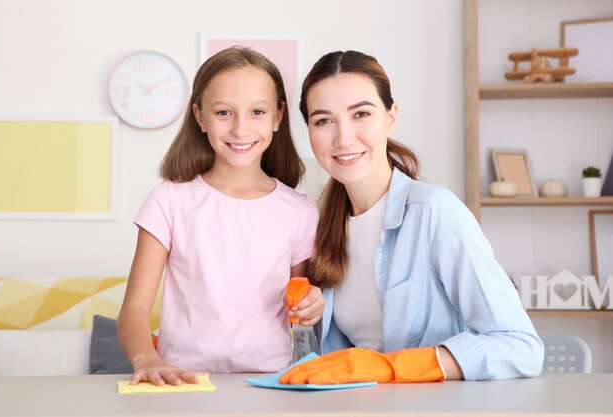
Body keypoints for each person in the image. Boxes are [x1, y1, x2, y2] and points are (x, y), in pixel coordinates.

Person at [280, 50, 543, 385]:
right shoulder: (319, 226)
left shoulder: (435, 212)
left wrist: (393, 367)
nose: (343, 137)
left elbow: (521, 347)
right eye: (323, 120)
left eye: (361, 113)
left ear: (391, 117)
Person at [118, 46, 324, 387]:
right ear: (200, 117)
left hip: (270, 385)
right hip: (182, 383)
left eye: (257, 111)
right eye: (224, 112)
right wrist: (147, 359)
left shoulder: (300, 210)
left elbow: (301, 299)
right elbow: (134, 310)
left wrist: (311, 305)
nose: (241, 129)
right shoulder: (170, 199)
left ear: (277, 117)